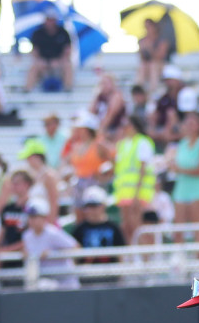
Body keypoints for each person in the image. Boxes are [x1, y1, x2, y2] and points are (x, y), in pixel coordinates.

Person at [169, 110, 199, 236]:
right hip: (182, 189)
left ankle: (198, 255)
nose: (189, 126)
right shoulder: (182, 144)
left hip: (198, 191)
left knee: (197, 227)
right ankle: (179, 253)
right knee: (178, 227)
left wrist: (179, 169)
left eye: (192, 123)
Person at [113, 115, 156, 244]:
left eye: (127, 125)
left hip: (138, 192)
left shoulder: (142, 142)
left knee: (138, 226)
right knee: (127, 226)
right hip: (124, 193)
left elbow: (143, 168)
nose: (125, 128)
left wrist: (137, 194)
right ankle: (132, 256)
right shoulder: (122, 144)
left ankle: (144, 256)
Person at [20, 197, 79, 289]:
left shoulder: (52, 233)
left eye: (34, 216)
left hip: (65, 283)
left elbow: (76, 248)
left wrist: (53, 254)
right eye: (29, 216)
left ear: (44, 217)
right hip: (42, 280)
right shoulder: (27, 235)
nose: (31, 220)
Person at [25, 11, 73, 92]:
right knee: (34, 67)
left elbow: (68, 50)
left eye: (52, 20)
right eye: (48, 19)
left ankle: (68, 89)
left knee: (68, 65)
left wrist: (59, 61)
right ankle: (27, 90)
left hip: (59, 61)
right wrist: (41, 61)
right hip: (42, 62)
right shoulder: (38, 33)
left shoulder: (63, 33)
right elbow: (34, 51)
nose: (50, 22)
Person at [72, 185, 124, 254]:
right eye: (88, 206)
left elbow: (121, 253)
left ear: (103, 206)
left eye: (95, 205)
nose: (91, 210)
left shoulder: (113, 228)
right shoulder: (79, 229)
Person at [16, 139, 60, 209]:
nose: (27, 161)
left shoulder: (49, 176)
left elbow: (54, 202)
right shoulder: (33, 174)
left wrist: (50, 220)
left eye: (28, 157)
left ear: (37, 157)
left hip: (45, 217)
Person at [137, 18, 171, 92]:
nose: (147, 29)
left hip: (160, 65)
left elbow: (160, 57)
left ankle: (152, 91)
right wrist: (142, 49)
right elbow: (142, 58)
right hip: (147, 66)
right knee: (143, 65)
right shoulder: (142, 40)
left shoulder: (162, 40)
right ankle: (140, 91)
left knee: (153, 66)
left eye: (149, 26)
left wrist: (150, 48)